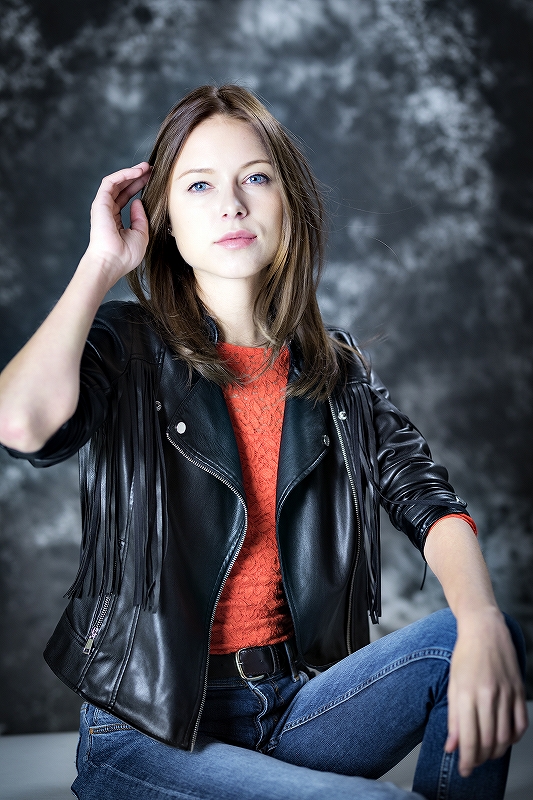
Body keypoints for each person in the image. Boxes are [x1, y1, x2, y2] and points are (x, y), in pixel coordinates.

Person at [0, 85, 527, 800]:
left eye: (255, 178)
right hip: (146, 733)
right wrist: (99, 265)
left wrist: (481, 619)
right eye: (199, 185)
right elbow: (20, 424)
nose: (232, 204)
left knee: (476, 636)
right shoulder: (127, 349)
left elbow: (428, 501)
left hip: (288, 706)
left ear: (288, 203)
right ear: (165, 224)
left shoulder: (335, 371)